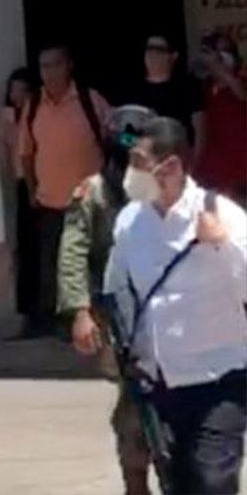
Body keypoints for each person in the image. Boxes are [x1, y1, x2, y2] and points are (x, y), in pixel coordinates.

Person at [104, 117, 247, 494]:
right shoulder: (131, 221)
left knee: (212, 481)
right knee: (177, 482)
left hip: (217, 381)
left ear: (170, 167)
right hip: (159, 382)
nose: (130, 171)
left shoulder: (223, 215)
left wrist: (223, 245)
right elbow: (117, 286)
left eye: (139, 161)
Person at [57, 105, 156, 495]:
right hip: (116, 313)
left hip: (163, 307)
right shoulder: (93, 192)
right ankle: (136, 479)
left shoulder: (162, 188)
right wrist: (80, 312)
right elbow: (73, 252)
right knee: (133, 400)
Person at [16, 43, 111, 338]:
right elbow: (26, 154)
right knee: (55, 266)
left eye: (55, 64)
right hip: (51, 201)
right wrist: (32, 190)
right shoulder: (33, 105)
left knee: (95, 264)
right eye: (43, 66)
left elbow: (118, 133)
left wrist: (140, 142)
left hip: (90, 202)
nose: (49, 72)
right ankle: (62, 325)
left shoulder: (89, 99)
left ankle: (100, 321)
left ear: (68, 66)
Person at [123, 34, 204, 157]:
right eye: (149, 48)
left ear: (173, 56)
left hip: (179, 159)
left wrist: (193, 164)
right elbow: (121, 137)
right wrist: (141, 146)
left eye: (158, 49)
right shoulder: (131, 90)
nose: (152, 54)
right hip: (143, 162)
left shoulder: (188, 87)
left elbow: (201, 133)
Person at [0, 67, 37, 326]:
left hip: (43, 180)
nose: (17, 95)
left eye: (23, 90)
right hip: (21, 182)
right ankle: (27, 310)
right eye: (14, 90)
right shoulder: (9, 117)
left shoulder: (39, 114)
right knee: (25, 245)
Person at [194, 32, 247, 203]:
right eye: (215, 51)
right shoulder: (203, 88)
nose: (220, 56)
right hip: (213, 174)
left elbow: (242, 94)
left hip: (242, 174)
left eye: (225, 50)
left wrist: (220, 69)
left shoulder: (241, 81)